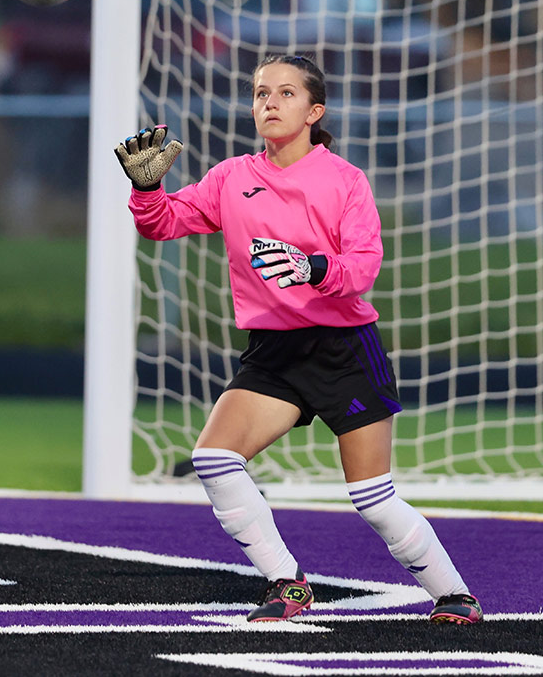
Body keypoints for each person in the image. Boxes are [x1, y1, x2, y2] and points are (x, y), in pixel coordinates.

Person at [115, 53, 483, 625]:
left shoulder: (344, 181)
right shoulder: (231, 178)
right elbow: (160, 222)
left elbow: (362, 268)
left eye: (285, 94)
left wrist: (313, 268)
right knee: (213, 458)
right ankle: (287, 584)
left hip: (343, 348)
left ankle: (455, 594)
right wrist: (147, 187)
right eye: (261, 93)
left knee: (373, 500)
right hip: (274, 352)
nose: (269, 103)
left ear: (315, 111)